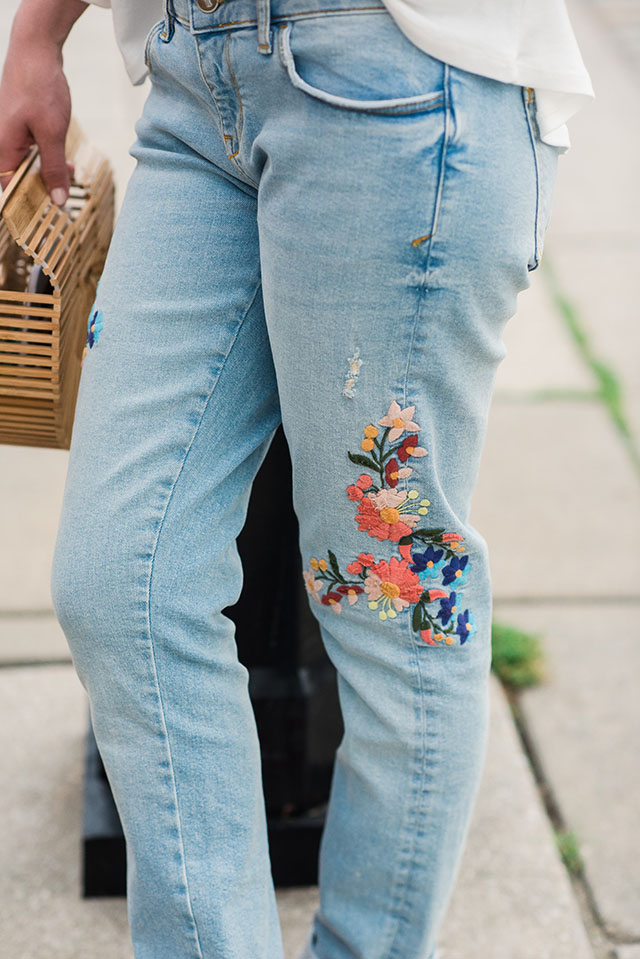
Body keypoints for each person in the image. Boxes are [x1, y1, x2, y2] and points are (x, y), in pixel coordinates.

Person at [0, 1, 593, 957]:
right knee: (119, 581)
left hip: (394, 78)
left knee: (389, 601)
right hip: (196, 78)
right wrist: (39, 29)